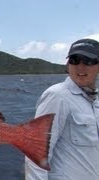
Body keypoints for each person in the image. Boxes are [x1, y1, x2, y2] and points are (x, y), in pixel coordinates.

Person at [25, 38, 99, 180]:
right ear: (67, 65)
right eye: (74, 60)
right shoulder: (58, 96)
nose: (80, 67)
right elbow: (35, 152)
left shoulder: (95, 100)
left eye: (88, 61)